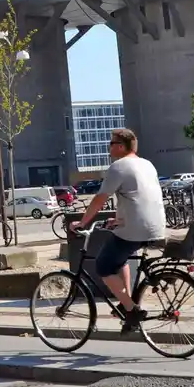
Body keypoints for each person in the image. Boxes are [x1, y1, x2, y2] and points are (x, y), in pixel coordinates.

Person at [77, 128, 166, 332]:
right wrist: (118, 219)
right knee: (120, 257)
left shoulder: (118, 167)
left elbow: (100, 199)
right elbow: (139, 197)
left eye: (111, 144)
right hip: (157, 225)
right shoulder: (147, 164)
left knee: (103, 266)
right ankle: (126, 303)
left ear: (120, 146)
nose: (108, 147)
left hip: (136, 228)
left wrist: (82, 223)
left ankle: (131, 309)